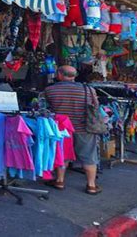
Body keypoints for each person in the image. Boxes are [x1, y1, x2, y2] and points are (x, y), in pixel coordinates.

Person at [44, 66, 102, 195]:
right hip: (83, 128)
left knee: (62, 154)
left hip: (61, 128)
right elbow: (95, 107)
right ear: (74, 76)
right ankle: (91, 185)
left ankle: (59, 181)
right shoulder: (88, 90)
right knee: (88, 156)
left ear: (59, 74)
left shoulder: (50, 90)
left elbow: (46, 108)